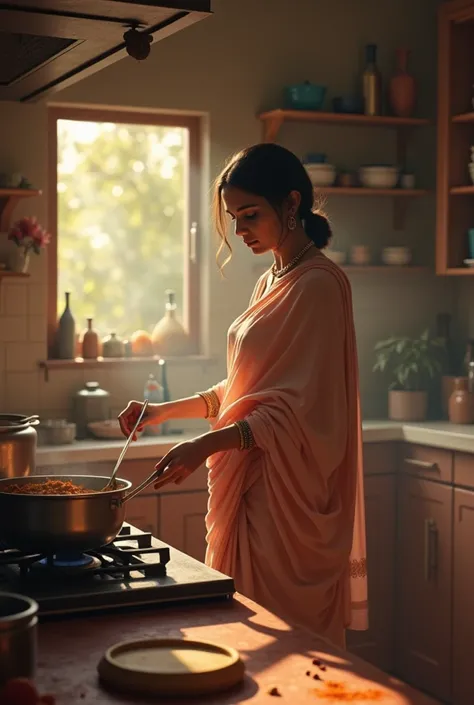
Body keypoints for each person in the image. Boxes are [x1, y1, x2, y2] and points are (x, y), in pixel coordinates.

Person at [118, 143, 368, 648]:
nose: (240, 231)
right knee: (247, 648)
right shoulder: (271, 280)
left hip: (288, 502)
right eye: (234, 218)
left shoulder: (320, 285)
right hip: (256, 488)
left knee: (287, 653)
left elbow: (304, 412)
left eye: (250, 214)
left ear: (291, 204)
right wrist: (160, 413)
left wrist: (205, 445)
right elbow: (243, 392)